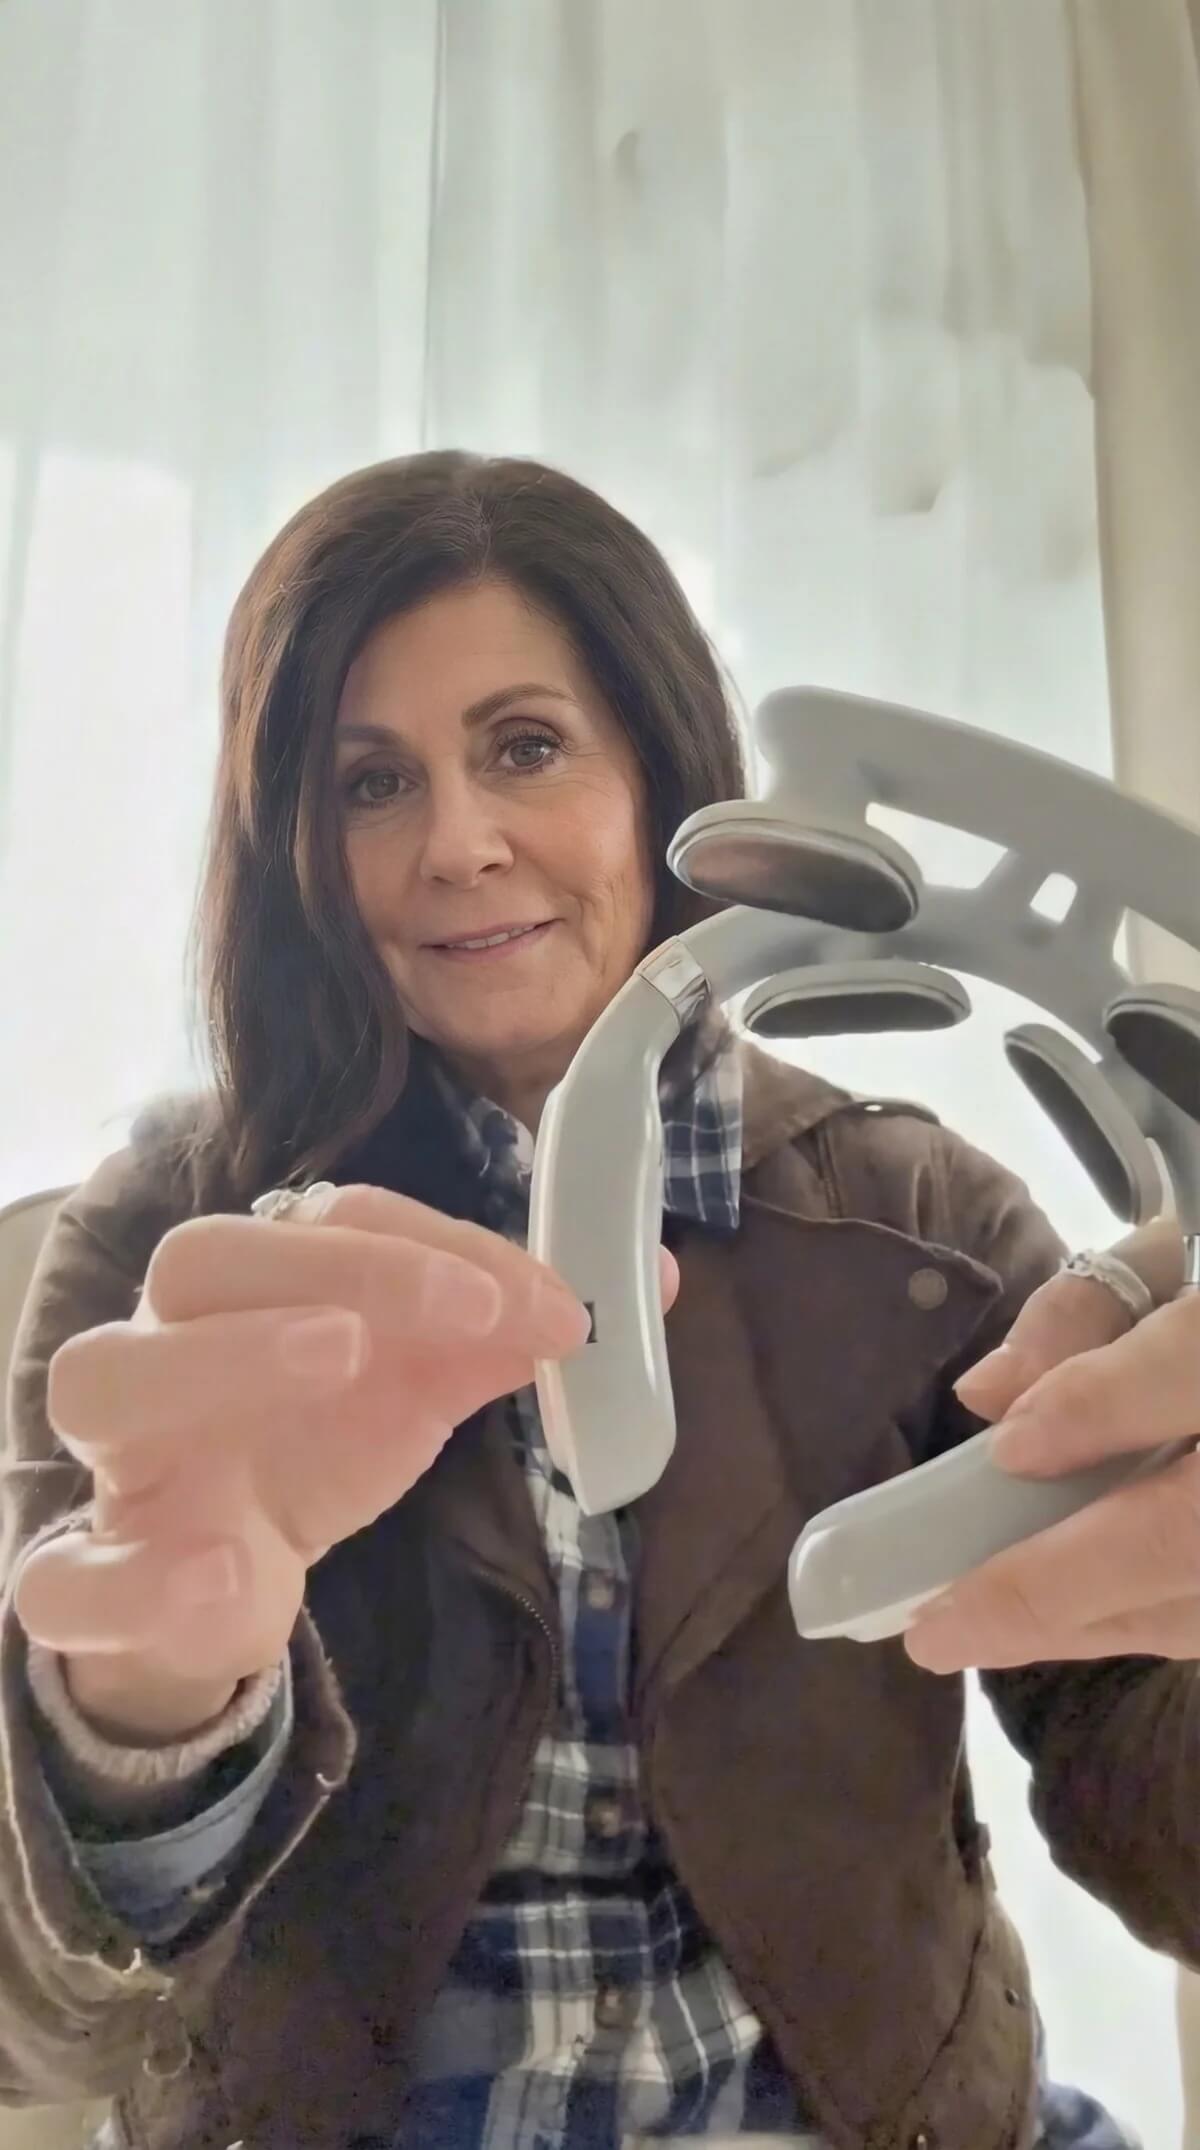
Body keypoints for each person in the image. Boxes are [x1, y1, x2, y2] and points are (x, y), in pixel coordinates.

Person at [0, 452, 1196, 2150]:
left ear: (661, 772)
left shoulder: (925, 1223)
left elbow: (1153, 1806)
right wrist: (146, 1716)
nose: (458, 844)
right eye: (370, 783)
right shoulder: (171, 1247)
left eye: (526, 746)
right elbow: (44, 2017)